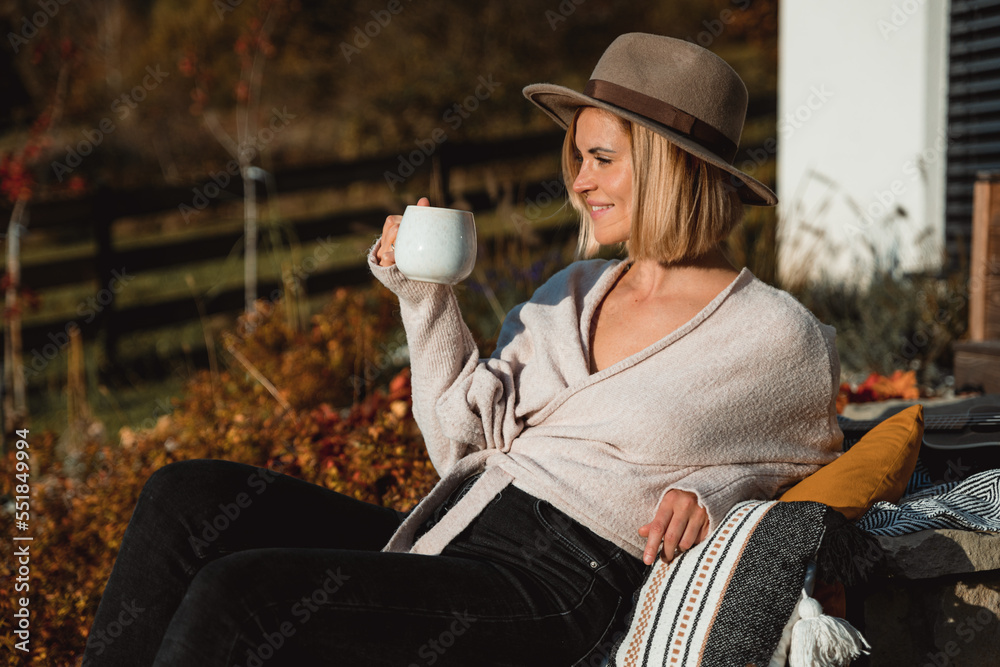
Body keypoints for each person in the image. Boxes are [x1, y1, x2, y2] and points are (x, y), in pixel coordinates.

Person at [82, 33, 842, 666]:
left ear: (673, 164)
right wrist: (425, 299)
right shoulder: (568, 291)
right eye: (576, 158)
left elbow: (820, 471)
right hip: (461, 526)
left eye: (601, 158)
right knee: (186, 499)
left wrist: (718, 499)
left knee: (241, 594)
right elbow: (460, 445)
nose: (578, 183)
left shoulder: (774, 336)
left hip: (558, 587)